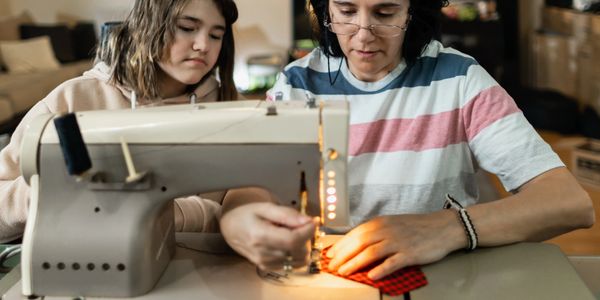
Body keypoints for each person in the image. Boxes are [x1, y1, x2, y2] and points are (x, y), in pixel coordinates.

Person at [220, 0, 594, 280]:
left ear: (412, 13)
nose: (363, 34)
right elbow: (249, 187)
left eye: (385, 14)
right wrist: (239, 219)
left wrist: (448, 228)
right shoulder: (297, 83)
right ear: (324, 10)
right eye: (346, 11)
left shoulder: (459, 80)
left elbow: (569, 203)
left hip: (443, 277)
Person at [0, 0, 239, 243]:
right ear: (149, 24)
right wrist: (43, 193)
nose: (203, 45)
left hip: (204, 271)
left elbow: (247, 208)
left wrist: (170, 213)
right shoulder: (71, 101)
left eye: (216, 35)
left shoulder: (234, 111)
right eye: (187, 28)